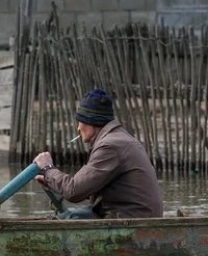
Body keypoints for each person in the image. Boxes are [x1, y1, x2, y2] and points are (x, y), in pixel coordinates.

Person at [33, 88, 163, 219]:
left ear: (91, 122)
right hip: (136, 217)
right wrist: (52, 182)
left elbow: (74, 191)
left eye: (80, 121)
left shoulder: (110, 146)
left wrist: (48, 169)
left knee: (68, 218)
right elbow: (88, 188)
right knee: (70, 215)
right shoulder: (119, 138)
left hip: (135, 224)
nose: (78, 128)